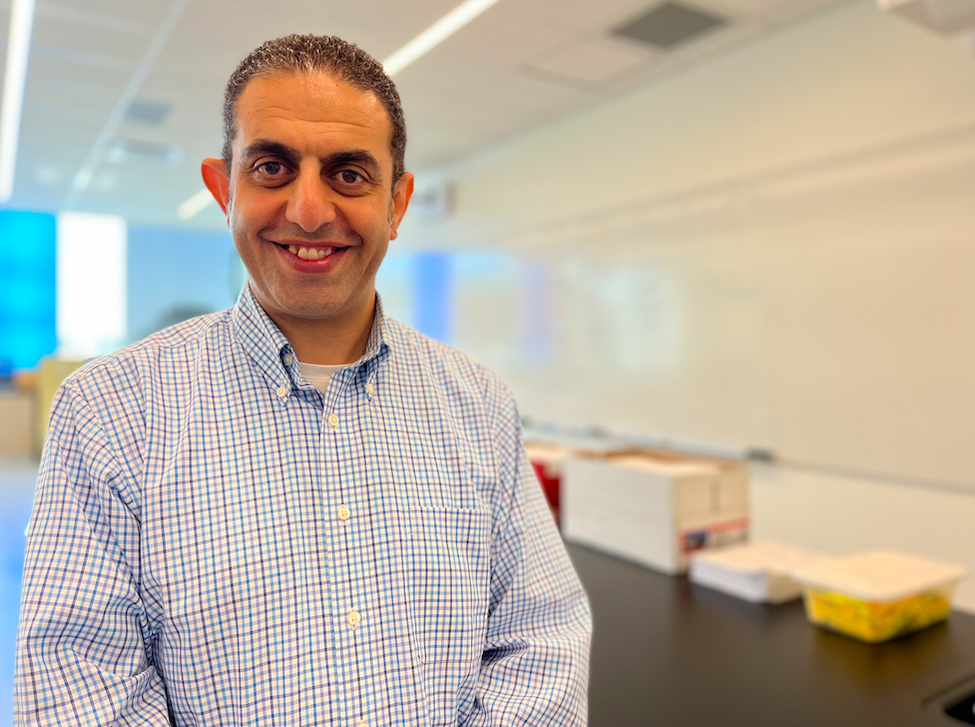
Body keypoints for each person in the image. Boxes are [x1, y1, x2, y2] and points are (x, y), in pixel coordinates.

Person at [14, 34, 591, 726]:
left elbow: (542, 642)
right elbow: (79, 691)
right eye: (272, 167)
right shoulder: (109, 412)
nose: (309, 211)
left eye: (348, 174)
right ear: (223, 188)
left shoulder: (480, 404)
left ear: (397, 203)